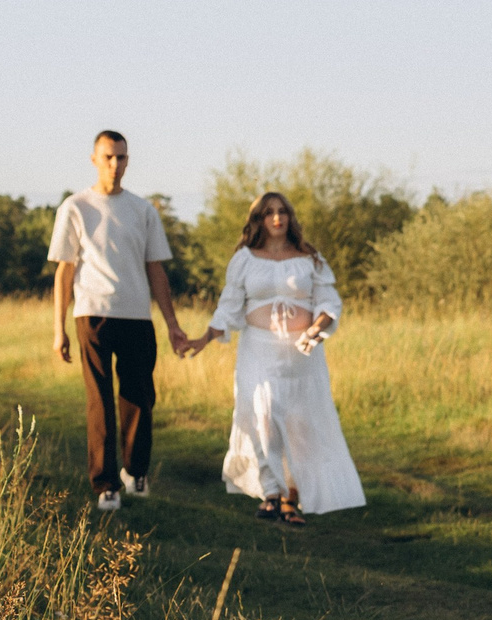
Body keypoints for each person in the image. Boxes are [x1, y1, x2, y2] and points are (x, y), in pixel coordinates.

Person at [185, 190, 366, 525]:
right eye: (269, 213)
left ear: (290, 217)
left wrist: (317, 329)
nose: (277, 218)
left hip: (302, 352)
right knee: (262, 415)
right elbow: (229, 305)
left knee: (300, 422)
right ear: (259, 220)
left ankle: (292, 498)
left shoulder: (309, 257)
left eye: (282, 211)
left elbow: (329, 301)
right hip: (259, 349)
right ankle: (271, 492)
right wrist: (206, 336)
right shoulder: (245, 258)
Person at [48, 130, 193, 512]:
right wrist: (58, 329)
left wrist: (172, 324)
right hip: (93, 314)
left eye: (122, 158)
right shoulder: (75, 207)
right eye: (109, 157)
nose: (115, 165)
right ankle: (106, 484)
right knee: (100, 400)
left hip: (136, 315)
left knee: (140, 397)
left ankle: (134, 470)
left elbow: (156, 270)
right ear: (94, 159)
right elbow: (64, 272)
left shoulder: (143, 210)